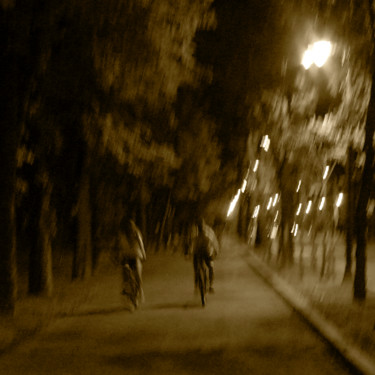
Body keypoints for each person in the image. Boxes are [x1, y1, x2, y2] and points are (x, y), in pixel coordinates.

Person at [118, 218, 147, 305]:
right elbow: (120, 246)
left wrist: (143, 253)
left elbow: (141, 243)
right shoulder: (123, 235)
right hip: (126, 256)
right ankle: (126, 288)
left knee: (138, 276)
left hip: (136, 255)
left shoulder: (136, 233)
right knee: (125, 273)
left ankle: (140, 290)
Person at [191, 218, 220, 294]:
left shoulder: (206, 231)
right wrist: (216, 251)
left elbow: (213, 241)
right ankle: (209, 285)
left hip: (205, 253)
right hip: (204, 253)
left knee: (206, 267)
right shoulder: (195, 231)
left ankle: (202, 285)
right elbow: (214, 242)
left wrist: (216, 250)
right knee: (209, 267)